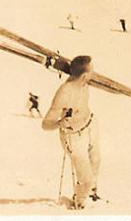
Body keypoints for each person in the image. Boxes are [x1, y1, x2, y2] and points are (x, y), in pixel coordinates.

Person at [42, 56, 102, 209]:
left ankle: (91, 193)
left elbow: (71, 66)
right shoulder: (64, 94)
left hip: (90, 125)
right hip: (74, 137)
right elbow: (45, 124)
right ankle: (80, 202)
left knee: (95, 161)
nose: (94, 75)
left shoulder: (84, 82)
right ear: (84, 76)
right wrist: (59, 123)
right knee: (87, 178)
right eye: (91, 72)